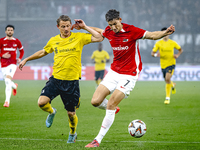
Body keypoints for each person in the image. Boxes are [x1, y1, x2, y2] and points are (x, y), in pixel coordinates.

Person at [73, 9, 176, 147]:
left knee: (110, 104)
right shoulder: (109, 31)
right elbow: (100, 30)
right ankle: (114, 109)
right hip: (114, 72)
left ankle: (97, 140)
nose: (113, 28)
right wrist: (84, 26)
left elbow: (151, 35)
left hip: (129, 74)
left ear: (120, 20)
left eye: (115, 24)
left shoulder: (132, 30)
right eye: (110, 25)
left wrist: (165, 33)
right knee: (95, 101)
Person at [19, 15, 103, 143]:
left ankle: (72, 133)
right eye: (63, 26)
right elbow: (43, 52)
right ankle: (52, 112)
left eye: (68, 26)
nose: (66, 29)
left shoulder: (79, 37)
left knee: (71, 114)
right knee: (41, 103)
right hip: (56, 79)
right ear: (58, 27)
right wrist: (26, 59)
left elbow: (99, 37)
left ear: (71, 26)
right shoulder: (53, 40)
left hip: (71, 82)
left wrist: (84, 27)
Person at [151, 27, 183, 105]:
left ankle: (167, 98)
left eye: (166, 33)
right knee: (167, 80)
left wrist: (177, 55)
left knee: (167, 78)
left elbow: (180, 50)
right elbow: (152, 53)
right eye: (164, 33)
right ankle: (173, 84)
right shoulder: (158, 43)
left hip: (171, 63)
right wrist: (155, 55)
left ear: (169, 33)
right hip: (163, 65)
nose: (165, 35)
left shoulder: (172, 43)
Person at [0, 25, 24, 107]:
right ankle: (14, 86)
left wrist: (20, 58)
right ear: (5, 31)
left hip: (13, 64)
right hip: (3, 64)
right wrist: (2, 55)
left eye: (11, 30)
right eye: (8, 30)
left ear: (13, 31)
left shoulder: (17, 41)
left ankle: (7, 101)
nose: (10, 31)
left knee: (7, 81)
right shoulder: (1, 41)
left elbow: (22, 51)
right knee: (7, 81)